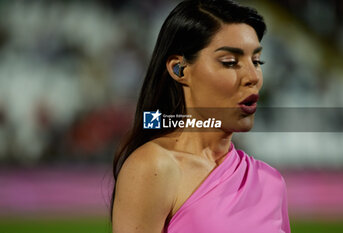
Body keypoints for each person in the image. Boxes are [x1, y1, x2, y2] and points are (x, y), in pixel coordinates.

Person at [111, 0, 291, 232]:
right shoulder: (154, 167)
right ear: (180, 69)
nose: (253, 76)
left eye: (257, 61)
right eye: (230, 62)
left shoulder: (271, 182)